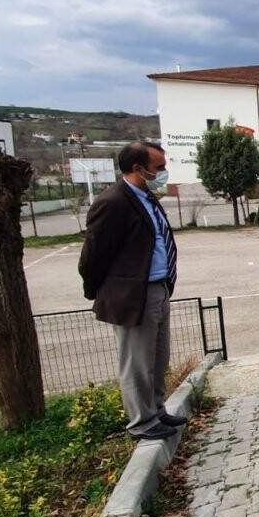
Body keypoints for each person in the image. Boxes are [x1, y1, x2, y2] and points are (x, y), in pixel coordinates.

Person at [79, 141, 183, 440]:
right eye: (159, 167)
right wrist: (100, 291)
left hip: (158, 287)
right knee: (137, 363)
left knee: (158, 358)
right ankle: (142, 422)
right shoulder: (113, 202)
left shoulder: (147, 198)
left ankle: (157, 410)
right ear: (138, 168)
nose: (163, 172)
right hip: (133, 295)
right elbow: (93, 255)